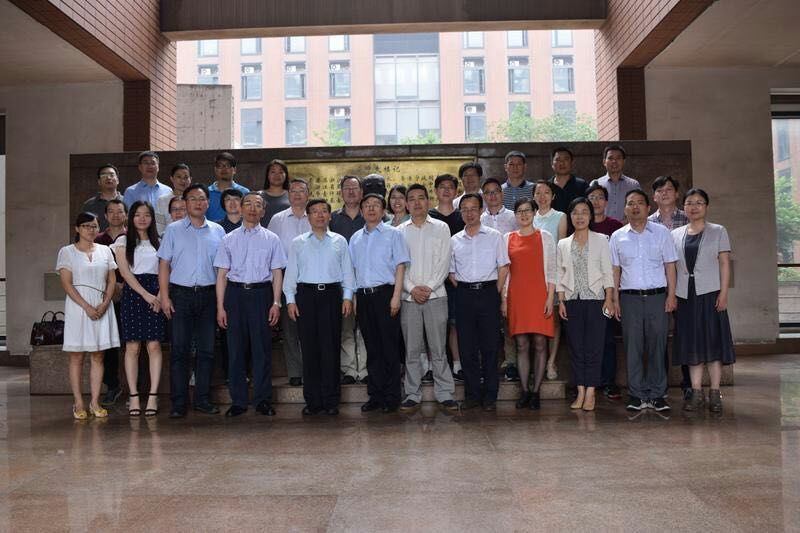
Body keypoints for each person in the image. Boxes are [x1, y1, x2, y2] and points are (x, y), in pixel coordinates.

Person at [215, 192, 287, 417]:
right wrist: (220, 307)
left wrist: (276, 302)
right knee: (236, 350)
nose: (252, 208)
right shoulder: (228, 239)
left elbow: (277, 273)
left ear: (263, 211)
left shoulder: (272, 239)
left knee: (261, 349)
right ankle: (238, 401)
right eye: (248, 204)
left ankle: (262, 400)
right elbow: (221, 275)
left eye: (258, 205)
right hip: (235, 295)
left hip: (261, 295)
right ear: (241, 208)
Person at [158, 183, 226, 418]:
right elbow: (164, 264)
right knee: (179, 351)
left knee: (207, 351)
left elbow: (222, 270)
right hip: (180, 295)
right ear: (185, 203)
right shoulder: (173, 230)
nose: (198, 203)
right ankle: (179, 403)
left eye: (202, 198)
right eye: (193, 199)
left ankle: (202, 400)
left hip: (208, 295)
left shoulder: (218, 231)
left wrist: (221, 303)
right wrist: (164, 297)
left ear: (208, 202)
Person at [284, 198, 356, 416]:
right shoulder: (298, 242)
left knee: (330, 348)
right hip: (305, 296)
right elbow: (291, 273)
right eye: (314, 211)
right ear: (308, 217)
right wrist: (290, 300)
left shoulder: (340, 241)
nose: (320, 215)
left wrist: (347, 297)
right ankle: (313, 401)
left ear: (330, 216)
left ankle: (331, 400)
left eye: (324, 211)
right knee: (310, 349)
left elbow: (347, 271)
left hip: (332, 296)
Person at [610, 189, 678, 412]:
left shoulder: (661, 233)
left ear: (648, 208)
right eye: (631, 203)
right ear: (625, 209)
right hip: (629, 299)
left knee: (658, 345)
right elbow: (615, 270)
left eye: (640, 202)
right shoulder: (617, 236)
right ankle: (637, 395)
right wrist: (615, 300)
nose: (635, 207)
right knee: (633, 347)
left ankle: (658, 394)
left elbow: (670, 266)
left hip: (658, 297)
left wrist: (671, 295)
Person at [672, 189, 735, 413]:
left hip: (710, 294)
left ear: (706, 206)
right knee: (692, 344)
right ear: (684, 207)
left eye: (699, 203)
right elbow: (671, 267)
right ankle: (696, 392)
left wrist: (723, 293)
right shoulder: (675, 234)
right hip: (685, 295)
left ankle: (715, 392)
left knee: (712, 343)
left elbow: (724, 263)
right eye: (689, 203)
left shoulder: (718, 231)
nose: (694, 207)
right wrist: (672, 294)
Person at [398, 184, 458, 413]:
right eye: (412, 199)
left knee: (438, 348)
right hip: (409, 298)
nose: (416, 202)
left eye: (421, 198)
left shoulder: (441, 228)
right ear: (406, 204)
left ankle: (445, 393)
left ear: (428, 201)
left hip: (436, 296)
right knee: (412, 349)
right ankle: (412, 394)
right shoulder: (399, 231)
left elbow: (444, 262)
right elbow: (398, 265)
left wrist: (429, 288)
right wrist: (412, 289)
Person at [349, 193, 410, 413]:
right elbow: (352, 270)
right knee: (371, 348)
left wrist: (396, 296)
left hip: (386, 294)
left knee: (389, 347)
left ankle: (392, 396)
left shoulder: (394, 234)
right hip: (364, 297)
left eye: (376, 205)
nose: (371, 208)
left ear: (384, 211)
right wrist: (355, 299)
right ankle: (375, 395)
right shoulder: (355, 238)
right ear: (362, 210)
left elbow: (401, 266)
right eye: (367, 205)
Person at [56, 212, 120, 419]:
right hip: (78, 306)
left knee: (98, 354)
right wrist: (86, 307)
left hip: (102, 304)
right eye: (86, 226)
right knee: (77, 355)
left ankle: (95, 402)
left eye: (94, 226)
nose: (90, 230)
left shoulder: (105, 250)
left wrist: (105, 303)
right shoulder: (67, 251)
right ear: (77, 229)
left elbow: (112, 280)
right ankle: (78, 402)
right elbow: (66, 284)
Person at [450, 193, 510, 411]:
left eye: (473, 208)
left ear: (481, 210)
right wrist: (466, 289)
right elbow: (451, 272)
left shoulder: (494, 236)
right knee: (467, 348)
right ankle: (472, 395)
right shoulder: (454, 240)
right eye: (464, 209)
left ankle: (490, 396)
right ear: (460, 213)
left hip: (489, 293)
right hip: (464, 295)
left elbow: (503, 266)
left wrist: (494, 292)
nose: (469, 213)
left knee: (490, 347)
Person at [556, 198, 614, 412]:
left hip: (596, 299)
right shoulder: (563, 243)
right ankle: (580, 390)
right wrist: (561, 300)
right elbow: (559, 273)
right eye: (575, 212)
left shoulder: (601, 240)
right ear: (570, 216)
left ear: (590, 216)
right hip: (572, 299)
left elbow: (608, 270)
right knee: (576, 348)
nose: (579, 216)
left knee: (594, 348)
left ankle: (591, 392)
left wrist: (609, 298)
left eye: (584, 212)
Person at [111, 201, 166, 417]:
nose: (142, 219)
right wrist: (146, 294)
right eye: (137, 214)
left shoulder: (160, 241)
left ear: (152, 218)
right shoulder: (122, 241)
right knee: (132, 347)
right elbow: (124, 273)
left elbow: (167, 269)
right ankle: (133, 395)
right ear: (130, 218)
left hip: (157, 291)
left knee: (154, 345)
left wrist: (160, 294)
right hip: (134, 293)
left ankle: (153, 395)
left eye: (147, 215)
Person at [501, 198, 556, 410]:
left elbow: (552, 270)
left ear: (534, 212)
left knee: (540, 343)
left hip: (540, 295)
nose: (523, 215)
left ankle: (536, 392)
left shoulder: (545, 237)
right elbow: (505, 272)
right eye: (519, 211)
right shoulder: (508, 238)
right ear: (515, 215)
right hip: (517, 296)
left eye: (527, 210)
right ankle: (524, 391)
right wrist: (504, 299)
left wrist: (550, 298)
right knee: (521, 344)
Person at [648, 175, 690, 397]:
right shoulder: (646, 223)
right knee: (658, 337)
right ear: (654, 196)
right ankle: (660, 385)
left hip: (683, 284)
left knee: (685, 333)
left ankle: (688, 383)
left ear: (677, 193)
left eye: (669, 189)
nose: (664, 193)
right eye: (659, 190)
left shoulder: (687, 218)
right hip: (655, 286)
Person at [268, 178, 312, 387]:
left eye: (301, 190)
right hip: (286, 276)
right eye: (293, 191)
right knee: (290, 328)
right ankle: (295, 372)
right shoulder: (278, 219)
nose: (296, 194)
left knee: (310, 327)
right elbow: (270, 250)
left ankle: (312, 369)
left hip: (312, 277)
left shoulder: (315, 216)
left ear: (308, 195)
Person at [586, 183, 624, 400]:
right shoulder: (581, 224)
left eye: (600, 197)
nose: (596, 201)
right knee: (587, 338)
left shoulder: (615, 227)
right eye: (592, 197)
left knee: (608, 338)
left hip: (608, 289)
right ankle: (589, 380)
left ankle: (609, 382)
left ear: (607, 202)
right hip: (585, 290)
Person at [480, 177, 519, 382]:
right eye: (488, 192)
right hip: (486, 278)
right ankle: (488, 364)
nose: (492, 195)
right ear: (483, 196)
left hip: (512, 275)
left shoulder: (514, 217)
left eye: (495, 191)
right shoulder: (478, 219)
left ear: (502, 194)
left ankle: (511, 362)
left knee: (509, 322)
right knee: (487, 325)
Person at [330, 175, 368, 385]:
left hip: (366, 281)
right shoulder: (332, 219)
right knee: (346, 328)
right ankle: (349, 369)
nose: (351, 192)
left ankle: (365, 369)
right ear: (341, 192)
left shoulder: (370, 215)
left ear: (361, 192)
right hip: (341, 282)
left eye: (355, 188)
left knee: (365, 328)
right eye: (346, 188)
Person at [428, 173, 465, 382]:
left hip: (458, 279)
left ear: (456, 191)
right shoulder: (429, 216)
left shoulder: (462, 216)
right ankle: (433, 365)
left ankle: (457, 364)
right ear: (435, 191)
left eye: (450, 187)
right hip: (433, 279)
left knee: (454, 323)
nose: (446, 190)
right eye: (442, 186)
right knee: (433, 325)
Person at [94, 199, 127, 407]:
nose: (116, 215)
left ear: (126, 214)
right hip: (105, 297)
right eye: (111, 212)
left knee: (132, 342)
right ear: (105, 216)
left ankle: (136, 387)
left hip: (131, 295)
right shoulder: (98, 239)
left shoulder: (133, 237)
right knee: (108, 343)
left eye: (120, 211)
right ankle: (112, 385)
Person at [533, 180, 567, 380]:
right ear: (533, 196)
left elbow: (560, 248)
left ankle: (551, 362)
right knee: (535, 321)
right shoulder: (529, 216)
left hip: (552, 276)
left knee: (553, 321)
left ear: (553, 196)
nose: (542, 196)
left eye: (547, 192)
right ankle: (537, 362)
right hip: (532, 278)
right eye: (538, 192)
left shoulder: (560, 217)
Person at [590, 145, 640, 222]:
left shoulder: (633, 185)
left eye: (618, 158)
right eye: (610, 158)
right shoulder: (596, 184)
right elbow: (590, 209)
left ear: (624, 161)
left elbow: (639, 209)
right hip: (602, 227)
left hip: (627, 227)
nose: (614, 161)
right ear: (604, 162)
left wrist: (624, 224)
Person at [207, 151, 250, 222]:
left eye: (228, 166)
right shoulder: (206, 193)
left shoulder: (244, 192)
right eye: (220, 166)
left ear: (234, 170)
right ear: (215, 170)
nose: (224, 169)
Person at [82, 164, 124, 231]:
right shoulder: (89, 205)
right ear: (99, 182)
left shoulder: (127, 201)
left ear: (117, 180)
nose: (108, 178)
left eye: (112, 175)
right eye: (104, 175)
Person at [549, 147, 588, 214]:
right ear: (552, 164)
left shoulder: (582, 185)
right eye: (558, 160)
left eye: (566, 159)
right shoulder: (547, 187)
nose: (562, 163)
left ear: (572, 163)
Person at [155, 163, 192, 235]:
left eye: (186, 177)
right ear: (172, 179)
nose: (183, 180)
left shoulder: (195, 200)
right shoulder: (162, 200)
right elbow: (159, 225)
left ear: (190, 179)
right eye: (179, 177)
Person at [260, 159, 291, 227]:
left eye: (281, 172)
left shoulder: (292, 195)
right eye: (273, 172)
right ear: (267, 175)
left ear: (286, 175)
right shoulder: (258, 196)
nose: (277, 175)